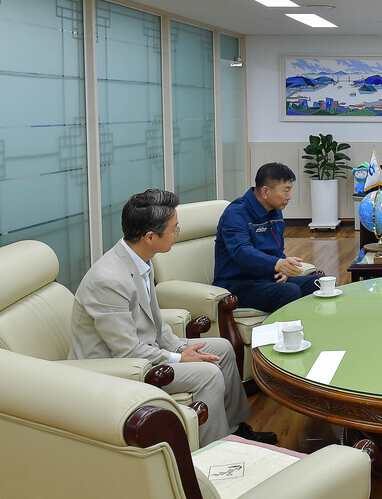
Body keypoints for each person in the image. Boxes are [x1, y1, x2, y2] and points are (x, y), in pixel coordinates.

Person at [69, 189, 276, 446]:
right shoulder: (109, 280)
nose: (177, 233)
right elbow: (126, 351)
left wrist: (179, 348)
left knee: (222, 349)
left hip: (144, 352)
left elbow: (156, 325)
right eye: (174, 229)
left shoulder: (141, 260)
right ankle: (213, 451)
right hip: (116, 369)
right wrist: (179, 357)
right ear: (150, 237)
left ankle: (234, 429)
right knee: (208, 373)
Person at [214, 163, 320, 313]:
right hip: (237, 284)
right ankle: (285, 328)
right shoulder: (236, 213)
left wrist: (282, 267)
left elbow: (277, 249)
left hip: (267, 278)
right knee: (290, 291)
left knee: (320, 283)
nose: (289, 196)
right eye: (286, 190)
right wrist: (277, 264)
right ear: (265, 191)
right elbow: (241, 251)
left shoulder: (275, 211)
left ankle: (312, 326)